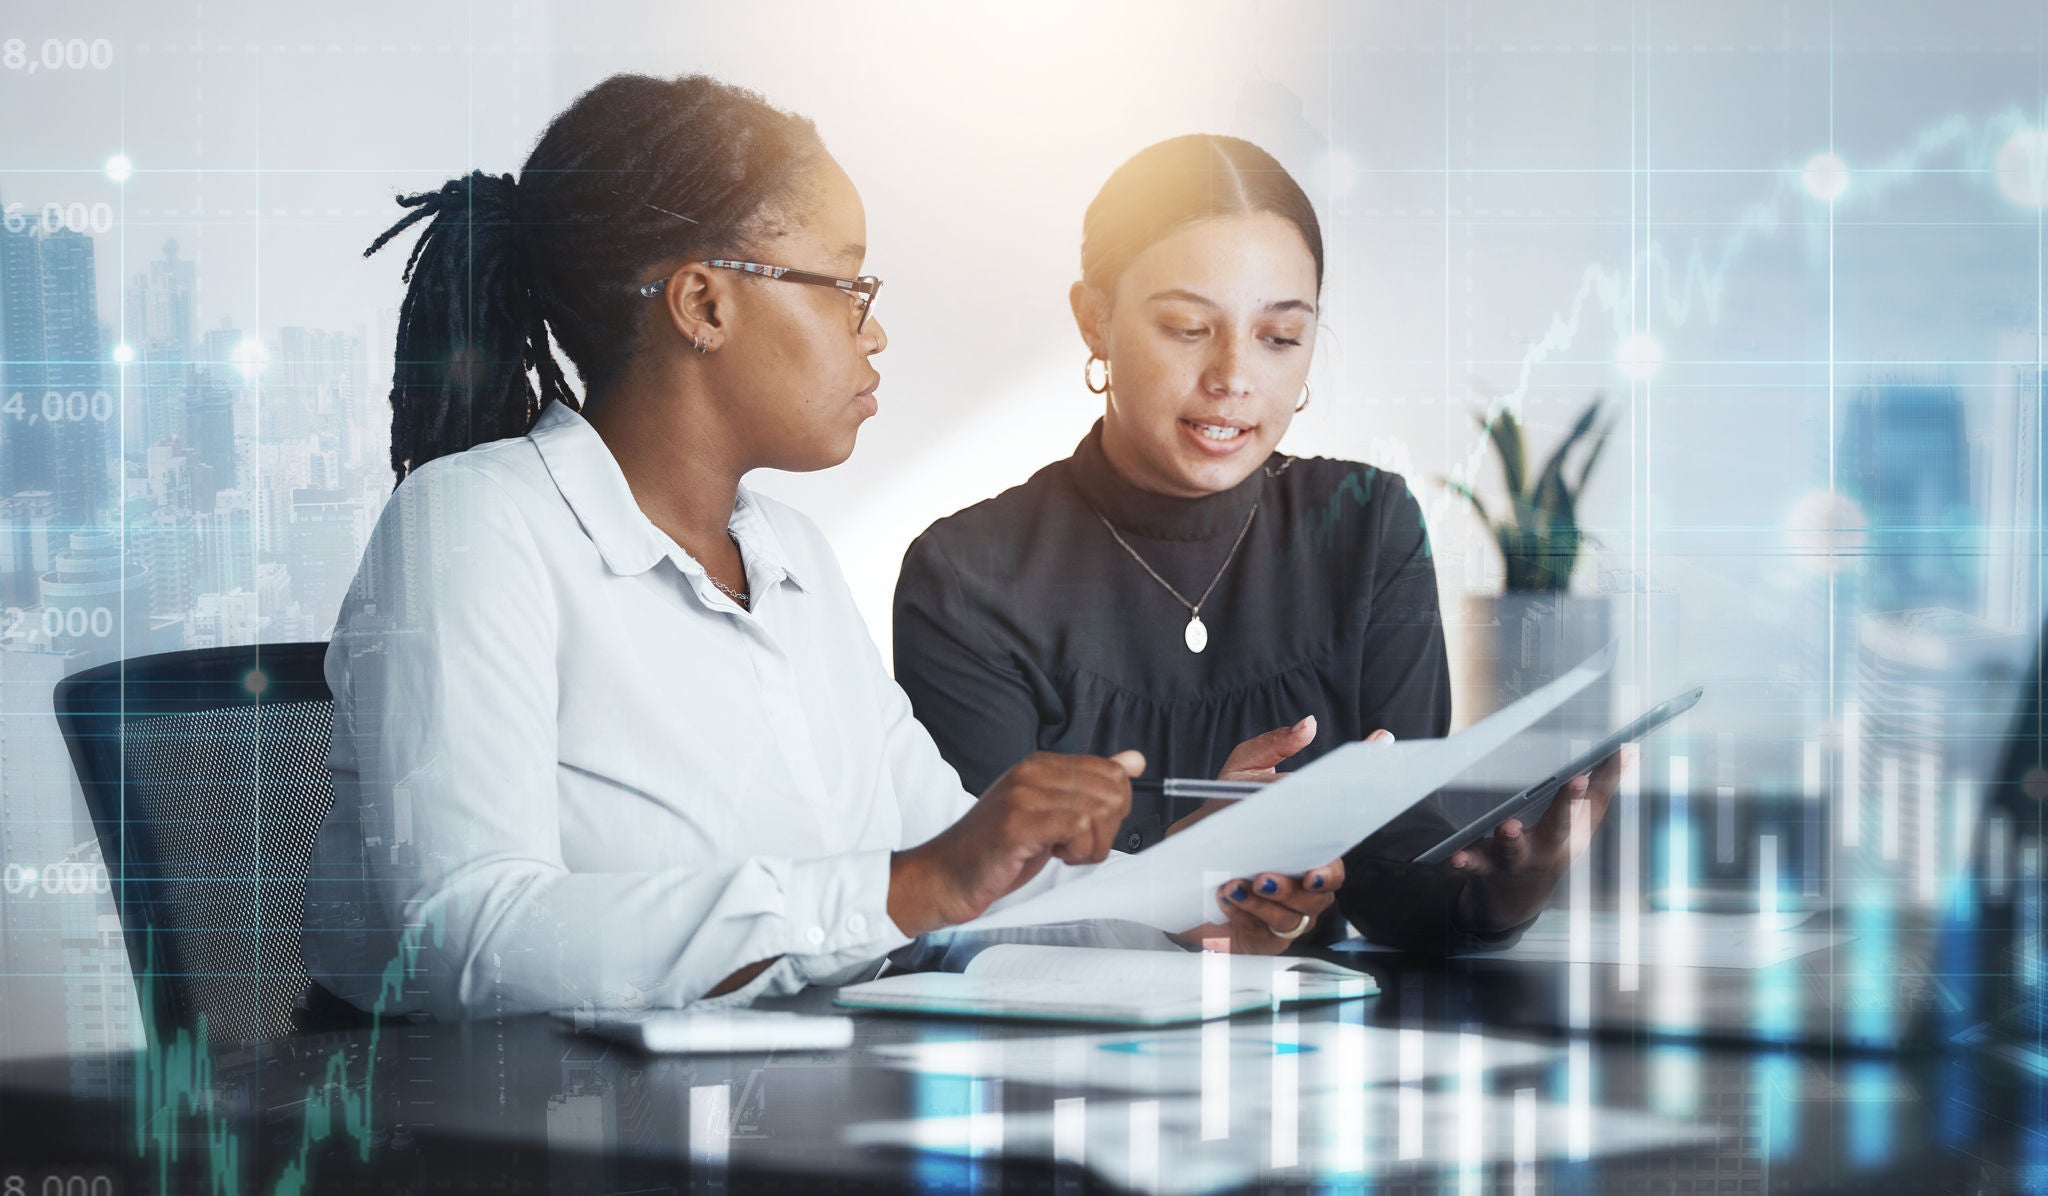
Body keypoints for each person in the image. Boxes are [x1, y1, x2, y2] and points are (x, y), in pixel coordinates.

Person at [301, 78, 1342, 1021]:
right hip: (533, 1143)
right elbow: (462, 935)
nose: (872, 331)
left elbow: (965, 877)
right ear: (705, 302)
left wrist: (1192, 891)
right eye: (845, 286)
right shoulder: (474, 528)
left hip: (780, 1115)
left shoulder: (788, 558)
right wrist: (907, 886)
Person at [893, 134, 1627, 955]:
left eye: (1280, 337)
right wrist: (1181, 875)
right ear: (1093, 318)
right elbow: (966, 917)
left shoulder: (1365, 524)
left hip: (1306, 1057)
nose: (1235, 377)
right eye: (1185, 327)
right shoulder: (969, 577)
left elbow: (1394, 869)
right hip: (1054, 1063)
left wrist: (1497, 901)